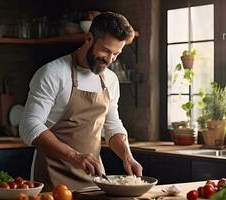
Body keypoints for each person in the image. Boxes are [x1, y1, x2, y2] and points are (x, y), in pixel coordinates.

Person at [19, 11, 143, 191]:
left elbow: (112, 124)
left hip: (93, 180)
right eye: (105, 50)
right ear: (88, 39)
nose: (109, 60)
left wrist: (127, 156)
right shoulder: (53, 73)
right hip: (52, 180)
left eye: (116, 54)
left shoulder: (110, 79)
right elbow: (29, 125)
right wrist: (75, 156)